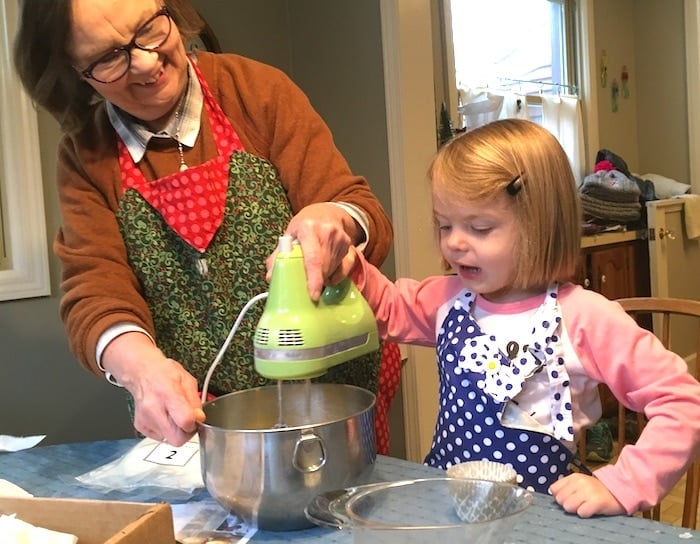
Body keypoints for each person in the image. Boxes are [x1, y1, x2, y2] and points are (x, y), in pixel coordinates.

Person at [13, 0, 392, 447]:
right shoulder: (86, 156)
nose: (148, 63)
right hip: (196, 421)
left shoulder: (255, 91)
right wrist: (140, 369)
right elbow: (95, 289)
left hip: (326, 397)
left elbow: (358, 207)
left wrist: (331, 220)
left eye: (150, 29)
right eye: (110, 58)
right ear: (75, 71)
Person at [340, 118, 700, 518]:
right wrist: (343, 262)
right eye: (444, 225)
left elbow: (683, 402)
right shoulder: (449, 299)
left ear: (539, 227)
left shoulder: (584, 317)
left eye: (480, 227)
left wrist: (622, 485)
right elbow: (385, 306)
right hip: (450, 512)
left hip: (539, 521)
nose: (455, 243)